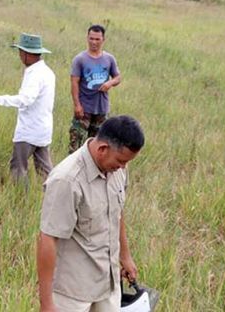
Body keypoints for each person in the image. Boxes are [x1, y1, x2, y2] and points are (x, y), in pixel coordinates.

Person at [37, 115, 145, 312]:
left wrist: (125, 256)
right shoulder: (67, 180)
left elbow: (117, 213)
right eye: (120, 161)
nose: (123, 167)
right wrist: (46, 304)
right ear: (103, 149)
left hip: (108, 282)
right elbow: (48, 239)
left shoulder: (117, 169)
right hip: (73, 292)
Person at [0, 33, 55, 184]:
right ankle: (52, 197)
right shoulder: (47, 72)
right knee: (45, 170)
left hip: (29, 130)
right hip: (43, 129)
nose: (20, 56)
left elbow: (25, 100)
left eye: (20, 52)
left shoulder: (35, 74)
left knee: (18, 168)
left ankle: (21, 197)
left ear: (27, 54)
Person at [69, 24, 121, 154]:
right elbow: (74, 83)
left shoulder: (109, 59)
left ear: (103, 40)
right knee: (77, 146)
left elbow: (118, 77)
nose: (94, 42)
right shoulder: (80, 59)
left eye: (97, 39)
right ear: (87, 38)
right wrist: (77, 105)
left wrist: (110, 83)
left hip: (102, 109)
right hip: (84, 109)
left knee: (98, 147)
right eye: (91, 38)